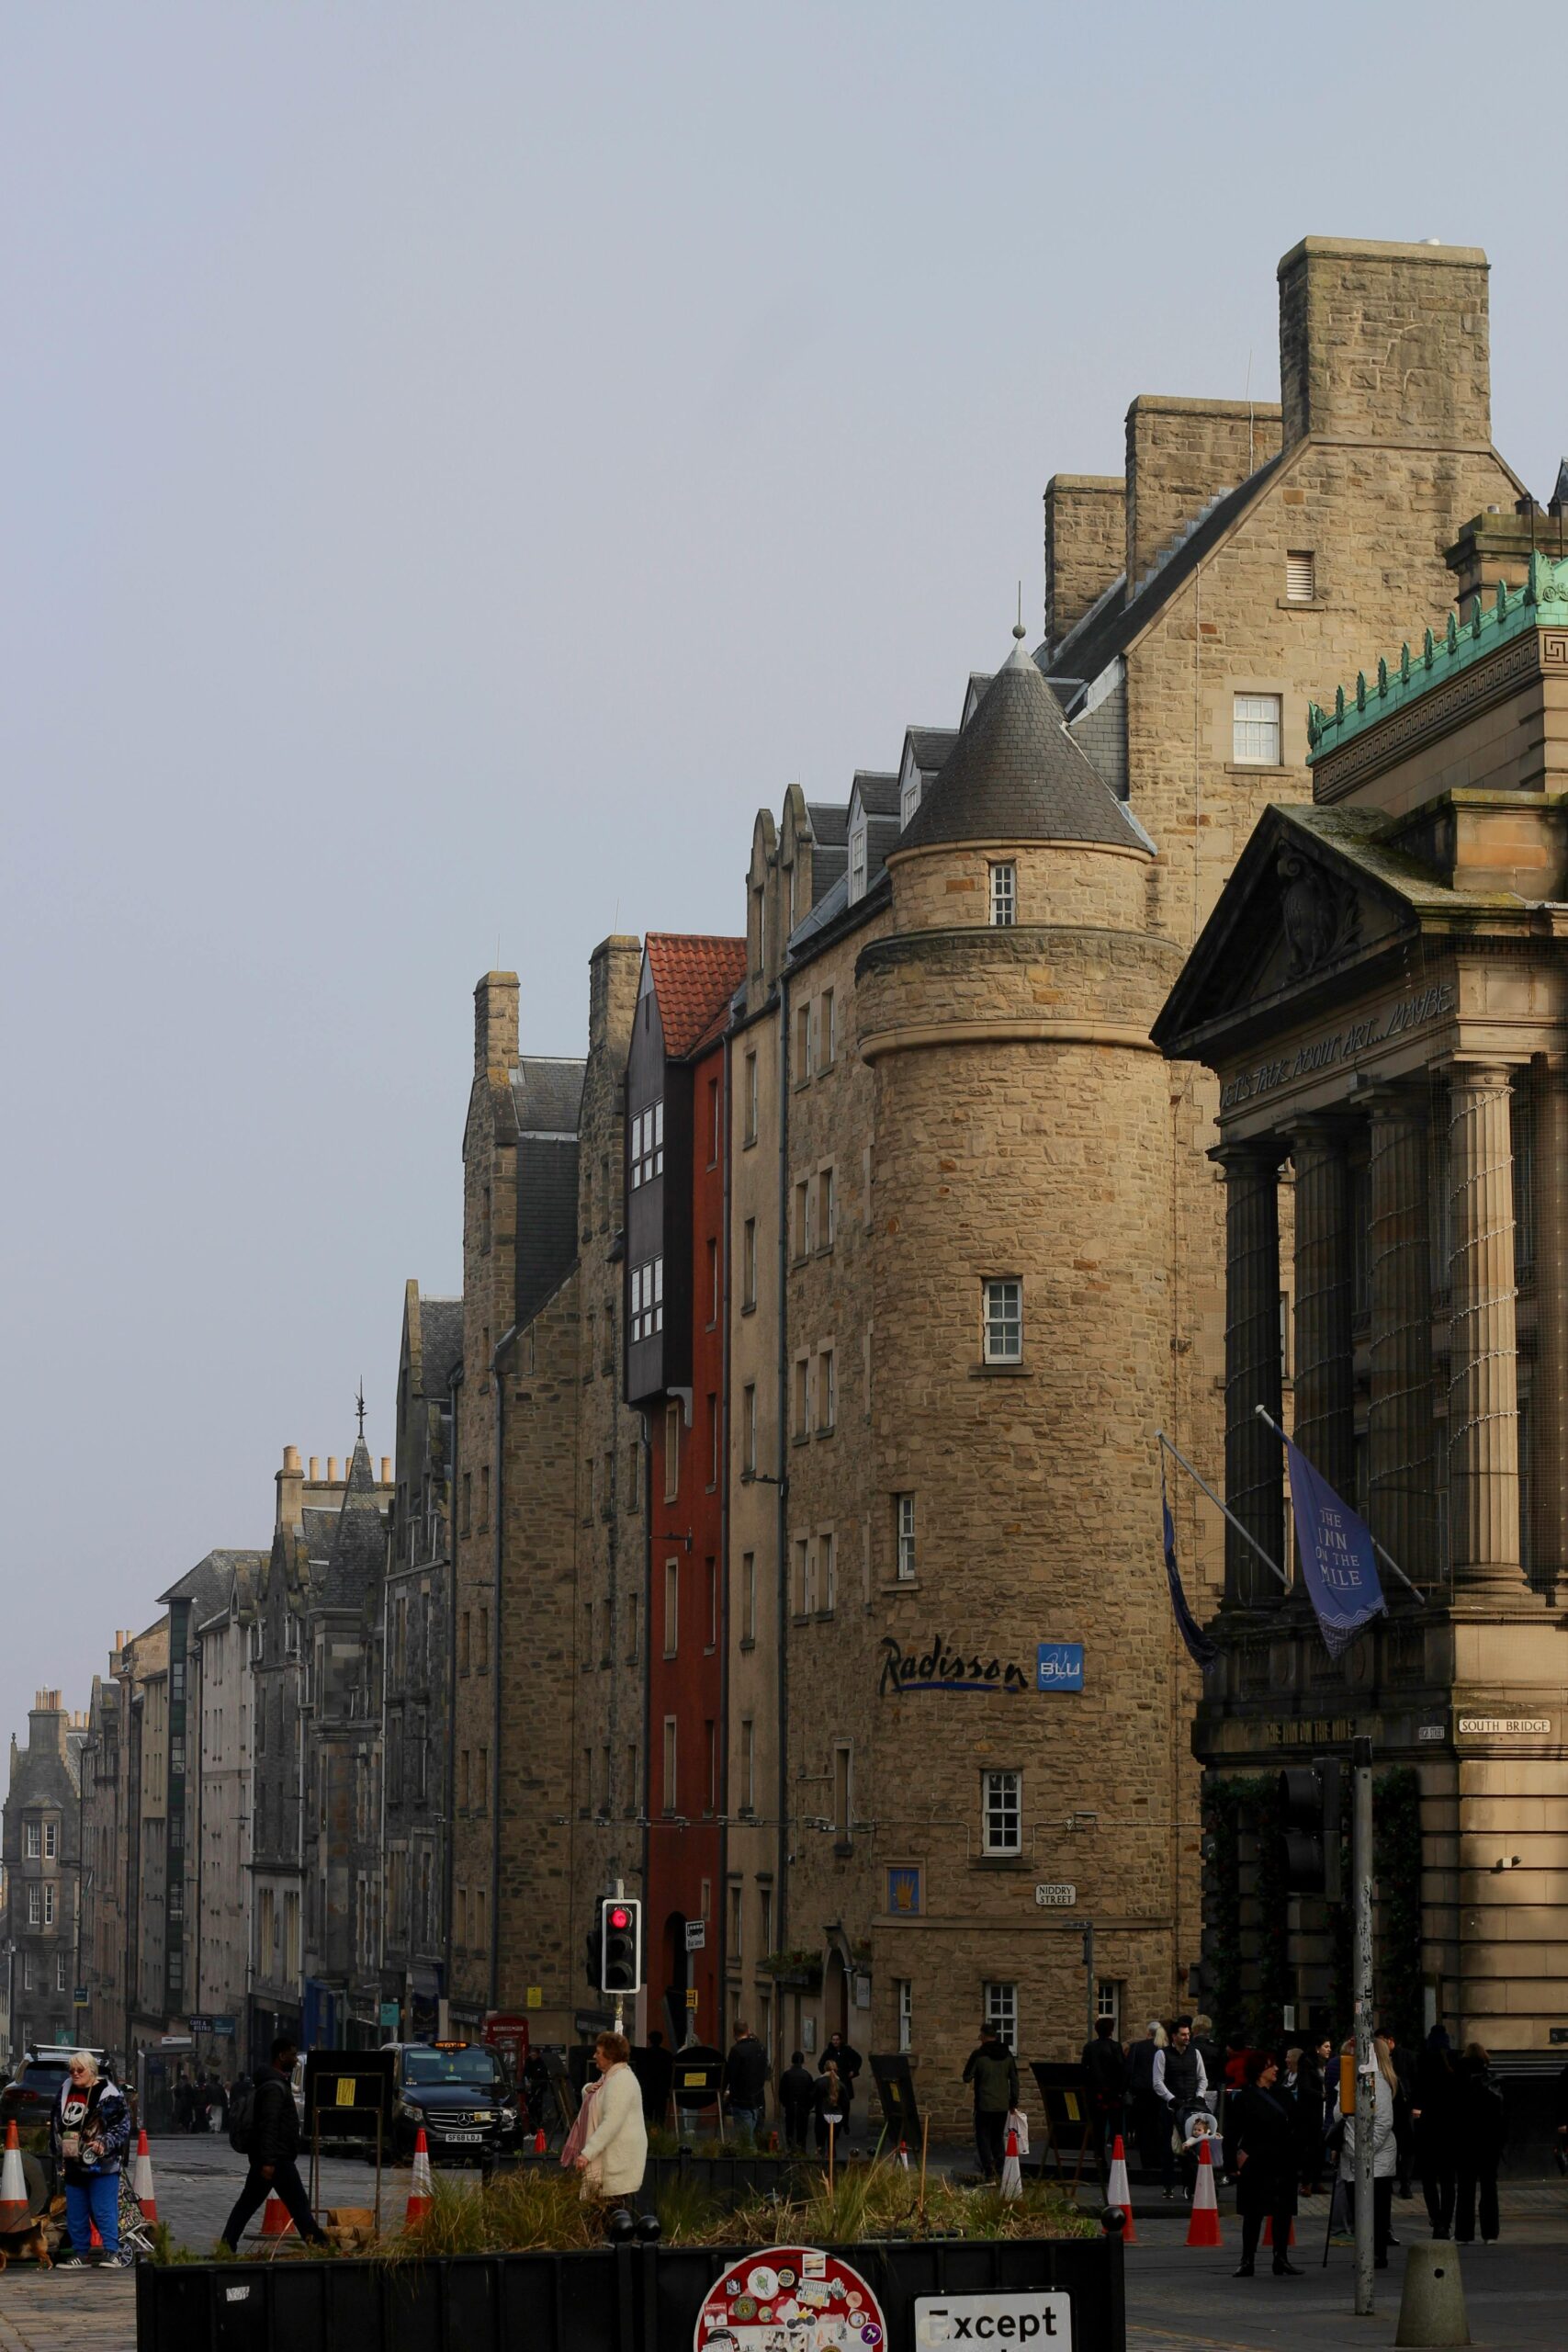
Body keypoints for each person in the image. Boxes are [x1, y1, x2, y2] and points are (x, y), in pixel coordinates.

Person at [220, 2035, 329, 2251]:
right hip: (277, 2160)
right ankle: (320, 2244)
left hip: (273, 2158)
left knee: (250, 2204)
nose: (295, 2060)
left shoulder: (275, 2084)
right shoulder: (274, 2088)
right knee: (298, 2205)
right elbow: (269, 2125)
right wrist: (268, 2161)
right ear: (281, 2056)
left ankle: (227, 2244)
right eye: (292, 2055)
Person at [1223, 2050, 1302, 2278]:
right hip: (1256, 2162)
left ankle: (1281, 2258)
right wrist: (1231, 2164)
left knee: (1283, 2212)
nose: (1276, 2069)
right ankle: (1247, 2259)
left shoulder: (1283, 2095)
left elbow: (1297, 2125)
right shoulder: (1245, 2098)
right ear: (1259, 2071)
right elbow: (1232, 2133)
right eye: (1270, 2066)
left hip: (1282, 2160)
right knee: (1253, 2213)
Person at [51, 2052, 131, 2268]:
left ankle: (112, 2252)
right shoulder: (66, 2089)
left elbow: (122, 2127)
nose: (75, 2074)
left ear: (92, 2071)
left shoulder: (109, 2093)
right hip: (73, 2161)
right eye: (72, 2070)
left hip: (101, 2164)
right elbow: (55, 2121)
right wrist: (57, 2150)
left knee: (103, 2209)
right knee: (76, 2211)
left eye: (80, 2070)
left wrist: (104, 2142)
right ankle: (81, 2253)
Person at [1334, 2035, 1397, 2267]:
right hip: (1352, 2154)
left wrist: (1365, 2150)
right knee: (1358, 2208)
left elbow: (1383, 2122)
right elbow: (1338, 2115)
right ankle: (1364, 2251)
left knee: (1376, 2209)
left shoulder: (1376, 2082)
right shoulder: (1346, 2082)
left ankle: (1376, 2253)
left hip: (1375, 2158)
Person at [574, 2030, 648, 2221]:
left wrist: (587, 2153)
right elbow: (597, 2098)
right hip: (612, 2160)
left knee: (612, 2216)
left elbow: (611, 2123)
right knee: (606, 2215)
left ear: (610, 2056)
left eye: (598, 2052)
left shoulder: (621, 2080)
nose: (594, 2056)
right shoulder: (609, 2077)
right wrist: (587, 2089)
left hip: (617, 2163)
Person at [1453, 2041, 1506, 2246]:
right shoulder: (1494, 2081)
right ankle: (1490, 2233)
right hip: (1489, 2142)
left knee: (1465, 2190)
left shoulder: (1458, 2080)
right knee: (1489, 2188)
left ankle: (1463, 2234)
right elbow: (1502, 2115)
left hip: (1465, 2141)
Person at [1154, 2018, 1207, 2199]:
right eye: (1183, 2034)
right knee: (1168, 2146)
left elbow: (1202, 2078)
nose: (1187, 2037)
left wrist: (1199, 2095)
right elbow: (1158, 2082)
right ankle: (1168, 2184)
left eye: (1188, 2034)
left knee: (1191, 2146)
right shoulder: (1162, 2055)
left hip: (1191, 2105)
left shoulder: (1195, 2053)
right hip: (1170, 2107)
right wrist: (1172, 2099)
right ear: (1174, 2036)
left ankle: (1189, 2185)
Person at [1416, 2027, 1460, 2238]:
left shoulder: (1423, 2060)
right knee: (1448, 2181)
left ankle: (1435, 2219)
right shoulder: (1454, 2060)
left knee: (1429, 2180)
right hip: (1450, 2128)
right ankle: (1446, 2221)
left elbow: (1417, 2091)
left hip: (1428, 2126)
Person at [961, 2020, 1019, 2183]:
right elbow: (1015, 2080)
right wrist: (1013, 2102)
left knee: (983, 2137)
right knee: (997, 2137)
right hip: (1002, 2105)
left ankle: (989, 2171)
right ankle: (1000, 2170)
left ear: (984, 2036)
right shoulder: (1007, 2055)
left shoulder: (979, 2055)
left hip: (984, 2104)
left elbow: (966, 2077)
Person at [1080, 2016, 1127, 2177]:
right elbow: (1122, 2069)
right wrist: (1121, 2090)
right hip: (1113, 2093)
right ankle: (1117, 2156)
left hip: (1096, 2093)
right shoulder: (1115, 2047)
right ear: (1111, 2030)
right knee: (1116, 2127)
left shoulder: (1089, 2047)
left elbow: (1084, 2070)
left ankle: (1100, 2156)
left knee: (1098, 2127)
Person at [1127, 2021, 1168, 2182]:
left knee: (1144, 2128)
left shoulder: (1138, 2047)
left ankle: (1147, 2160)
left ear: (1148, 2033)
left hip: (1142, 2093)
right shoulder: (1165, 2048)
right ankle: (1159, 2159)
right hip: (1161, 2094)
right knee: (1160, 2126)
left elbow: (1129, 2070)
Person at [1383, 2028, 1419, 2204]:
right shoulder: (1383, 2058)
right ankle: (1393, 2182)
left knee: (1405, 2148)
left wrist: (1416, 2105)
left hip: (1403, 2108)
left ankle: (1405, 2183)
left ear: (1390, 2040)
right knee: (1393, 2147)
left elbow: (1415, 2081)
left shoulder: (1405, 2057)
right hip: (1390, 2108)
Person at [1294, 2035, 1333, 2194]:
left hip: (1322, 2110)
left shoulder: (1325, 2064)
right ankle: (1307, 2182)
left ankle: (1316, 2181)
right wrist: (1322, 2095)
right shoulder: (1307, 2064)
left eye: (1329, 2047)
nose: (1329, 2050)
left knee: (1320, 2147)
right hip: (1310, 2111)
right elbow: (1305, 2087)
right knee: (1311, 2148)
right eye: (1326, 2046)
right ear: (1317, 2048)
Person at [723, 2022, 769, 2141]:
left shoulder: (736, 2051)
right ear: (748, 2031)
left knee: (745, 2141)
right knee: (757, 2138)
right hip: (759, 2101)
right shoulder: (761, 2048)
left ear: (734, 2033)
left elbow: (731, 2076)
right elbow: (766, 2072)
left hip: (742, 2102)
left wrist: (725, 2092)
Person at [824, 2032, 861, 2141]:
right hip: (833, 2081)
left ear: (840, 2040)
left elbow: (858, 2059)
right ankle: (835, 2124)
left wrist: (853, 2071)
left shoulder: (847, 2050)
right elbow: (821, 2064)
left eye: (837, 2039)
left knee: (845, 2104)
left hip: (844, 2079)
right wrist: (827, 2074)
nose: (835, 2042)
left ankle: (845, 2123)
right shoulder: (829, 2052)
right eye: (833, 2039)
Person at [779, 2051, 816, 2154]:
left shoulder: (787, 2075)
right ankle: (801, 2150)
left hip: (790, 2106)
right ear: (802, 2061)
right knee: (802, 2130)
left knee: (790, 2129)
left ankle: (790, 2148)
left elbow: (781, 2092)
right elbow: (811, 2093)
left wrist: (785, 2103)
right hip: (803, 2107)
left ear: (792, 2060)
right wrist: (809, 2107)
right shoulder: (807, 2075)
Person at [639, 2031, 673, 2132]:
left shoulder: (644, 2054)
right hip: (662, 2090)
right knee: (660, 2115)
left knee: (647, 2115)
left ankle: (648, 2134)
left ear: (649, 2040)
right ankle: (660, 2134)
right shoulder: (667, 2055)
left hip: (648, 2090)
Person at [1190, 2015, 1223, 2115]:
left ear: (1194, 2029)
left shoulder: (1188, 2048)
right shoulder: (1216, 2049)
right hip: (1211, 2089)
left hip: (1191, 2090)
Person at [813, 2059, 846, 2154]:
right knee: (832, 2145)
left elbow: (811, 2097)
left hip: (821, 2117)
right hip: (836, 2118)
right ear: (836, 2069)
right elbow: (845, 2103)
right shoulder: (840, 2084)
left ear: (824, 2069)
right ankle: (832, 2161)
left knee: (820, 2145)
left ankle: (821, 2161)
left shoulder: (818, 2082)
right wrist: (845, 2122)